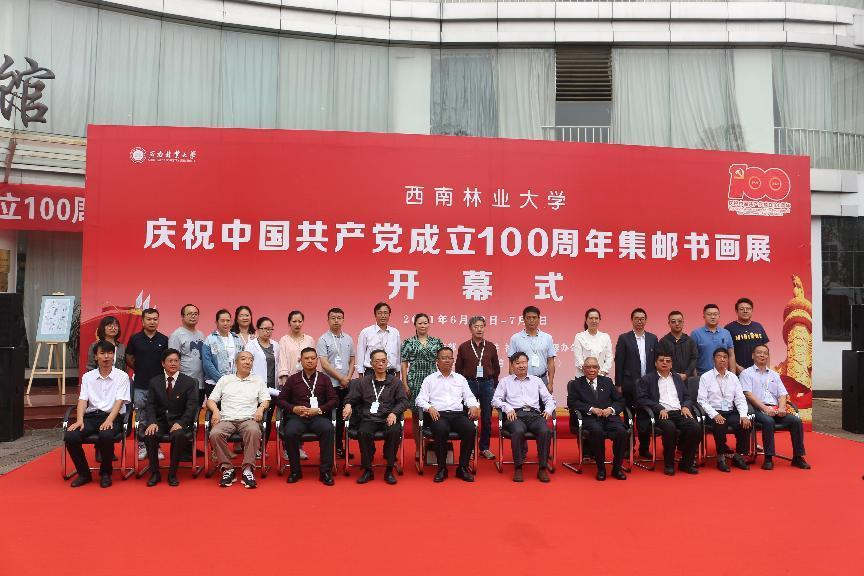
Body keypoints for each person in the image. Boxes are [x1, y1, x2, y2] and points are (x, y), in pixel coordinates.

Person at [64, 341, 131, 488]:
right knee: (71, 436)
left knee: (106, 434)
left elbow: (120, 401)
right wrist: (79, 420)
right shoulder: (88, 377)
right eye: (102, 353)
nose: (106, 357)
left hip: (113, 417)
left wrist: (109, 420)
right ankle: (84, 473)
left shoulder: (122, 376)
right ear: (95, 356)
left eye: (110, 353)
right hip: (91, 417)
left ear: (113, 355)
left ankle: (106, 473)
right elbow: (83, 400)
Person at [342, 349, 409, 485]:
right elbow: (351, 397)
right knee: (363, 432)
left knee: (394, 431)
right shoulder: (363, 382)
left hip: (388, 416)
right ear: (371, 364)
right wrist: (348, 404)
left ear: (387, 363)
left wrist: (394, 413)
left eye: (383, 361)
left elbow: (403, 401)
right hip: (369, 417)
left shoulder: (395, 382)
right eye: (377, 361)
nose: (381, 364)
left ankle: (389, 470)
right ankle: (368, 470)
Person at [415, 347, 480, 483]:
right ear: (437, 361)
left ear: (453, 360)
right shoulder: (430, 379)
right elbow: (419, 399)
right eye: (443, 358)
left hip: (458, 414)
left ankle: (462, 467)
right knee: (440, 429)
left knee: (470, 429)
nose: (447, 361)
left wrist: (474, 406)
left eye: (449, 358)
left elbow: (469, 397)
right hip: (439, 415)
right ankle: (442, 468)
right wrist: (429, 408)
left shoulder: (460, 379)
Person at [739, 344, 810, 470]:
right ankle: (768, 457)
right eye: (759, 352)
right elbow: (748, 394)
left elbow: (782, 394)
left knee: (796, 421)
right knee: (768, 421)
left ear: (768, 356)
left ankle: (798, 457)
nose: (762, 355)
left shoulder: (774, 374)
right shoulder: (746, 373)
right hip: (757, 409)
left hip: (775, 409)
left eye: (765, 353)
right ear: (753, 356)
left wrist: (782, 408)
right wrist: (765, 408)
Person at [206, 351, 270, 488]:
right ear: (236, 363)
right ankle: (228, 469)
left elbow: (266, 399)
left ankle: (248, 469)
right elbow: (211, 400)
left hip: (249, 419)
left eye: (250, 360)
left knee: (254, 431)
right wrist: (216, 411)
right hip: (226, 419)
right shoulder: (225, 379)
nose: (248, 362)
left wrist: (260, 409)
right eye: (244, 359)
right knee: (215, 433)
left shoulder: (257, 380)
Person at [276, 347, 338, 486]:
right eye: (306, 358)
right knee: (290, 432)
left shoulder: (324, 379)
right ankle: (295, 471)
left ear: (317, 360)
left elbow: (334, 400)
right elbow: (280, 400)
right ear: (301, 361)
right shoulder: (293, 379)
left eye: (313, 358)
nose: (310, 361)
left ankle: (325, 472)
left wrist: (319, 410)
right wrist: (294, 408)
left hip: (318, 417)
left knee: (328, 429)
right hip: (297, 418)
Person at [492, 352, 556, 483]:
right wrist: (506, 407)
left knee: (545, 431)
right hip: (515, 415)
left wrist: (548, 410)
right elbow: (495, 400)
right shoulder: (505, 381)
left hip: (534, 415)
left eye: (524, 362)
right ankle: (518, 467)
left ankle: (542, 468)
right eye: (518, 363)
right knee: (518, 431)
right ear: (512, 365)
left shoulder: (536, 380)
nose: (521, 366)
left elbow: (549, 399)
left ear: (528, 364)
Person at [636, 350, 701, 476]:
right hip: (660, 413)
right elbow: (642, 399)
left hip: (679, 412)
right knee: (670, 428)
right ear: (656, 363)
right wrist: (658, 408)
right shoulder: (647, 379)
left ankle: (686, 463)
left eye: (668, 361)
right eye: (661, 361)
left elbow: (687, 396)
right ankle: (669, 464)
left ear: (671, 364)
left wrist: (686, 406)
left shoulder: (677, 378)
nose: (664, 363)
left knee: (695, 428)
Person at [142, 348, 199, 487]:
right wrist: (152, 422)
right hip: (160, 421)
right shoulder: (155, 381)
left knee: (179, 435)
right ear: (163, 363)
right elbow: (150, 405)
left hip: (179, 421)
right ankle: (154, 473)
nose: (173, 363)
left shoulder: (189, 382)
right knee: (150, 434)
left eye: (176, 361)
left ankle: (172, 473)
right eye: (170, 361)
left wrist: (182, 423)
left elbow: (192, 407)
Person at [566, 356, 627, 481]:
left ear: (599, 369)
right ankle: (601, 469)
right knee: (597, 431)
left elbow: (620, 400)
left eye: (594, 367)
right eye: (588, 367)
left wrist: (611, 409)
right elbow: (572, 403)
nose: (591, 370)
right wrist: (591, 409)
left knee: (621, 431)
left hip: (609, 417)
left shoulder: (607, 381)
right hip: (589, 419)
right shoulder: (576, 384)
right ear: (583, 369)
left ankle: (617, 468)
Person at [697, 348, 751, 472]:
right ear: (713, 359)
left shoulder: (733, 377)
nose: (722, 359)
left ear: (728, 360)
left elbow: (740, 398)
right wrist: (715, 414)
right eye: (719, 356)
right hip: (713, 412)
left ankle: (738, 456)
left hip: (730, 411)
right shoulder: (706, 377)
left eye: (725, 357)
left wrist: (743, 415)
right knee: (720, 425)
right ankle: (721, 457)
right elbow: (702, 400)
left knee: (745, 423)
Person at [125, 307, 169, 461]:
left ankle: (156, 446)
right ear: (143, 321)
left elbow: (167, 361)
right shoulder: (135, 339)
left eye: (155, 319)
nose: (152, 322)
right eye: (149, 319)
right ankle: (142, 446)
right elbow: (129, 357)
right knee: (142, 417)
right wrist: (140, 368)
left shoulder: (164, 339)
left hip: (159, 387)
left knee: (157, 417)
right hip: (141, 385)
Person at [614, 307, 658, 459]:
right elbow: (619, 362)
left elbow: (656, 362)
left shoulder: (653, 338)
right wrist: (618, 384)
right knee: (629, 417)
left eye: (642, 318)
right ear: (632, 320)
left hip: (648, 386)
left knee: (645, 417)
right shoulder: (624, 338)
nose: (640, 321)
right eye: (637, 318)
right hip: (629, 385)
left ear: (646, 320)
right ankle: (628, 448)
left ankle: (644, 448)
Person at [455, 316, 500, 460]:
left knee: (486, 418)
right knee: (469, 417)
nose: (479, 329)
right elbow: (458, 369)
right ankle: (470, 448)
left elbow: (496, 368)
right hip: (469, 384)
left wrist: (493, 384)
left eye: (481, 326)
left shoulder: (491, 347)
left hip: (487, 384)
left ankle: (484, 448)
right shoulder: (463, 347)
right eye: (476, 326)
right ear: (470, 329)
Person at [400, 313, 443, 460]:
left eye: (425, 323)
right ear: (415, 325)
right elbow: (404, 363)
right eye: (420, 323)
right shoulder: (408, 342)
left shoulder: (436, 342)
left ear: (429, 324)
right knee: (416, 415)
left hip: (433, 380)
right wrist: (405, 383)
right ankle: (418, 448)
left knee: (433, 414)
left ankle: (431, 447)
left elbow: (442, 361)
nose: (423, 325)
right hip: (415, 380)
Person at [316, 308, 356, 458]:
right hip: (330, 385)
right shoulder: (323, 339)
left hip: (345, 385)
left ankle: (339, 448)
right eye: (333, 318)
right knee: (329, 419)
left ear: (343, 320)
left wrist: (348, 378)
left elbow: (352, 359)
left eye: (339, 317)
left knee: (342, 418)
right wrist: (341, 378)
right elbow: (325, 364)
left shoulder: (348, 338)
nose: (336, 320)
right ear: (328, 320)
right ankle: (328, 450)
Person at [244, 317, 281, 452]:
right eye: (265, 329)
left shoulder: (276, 345)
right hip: (255, 388)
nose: (268, 332)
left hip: (272, 389)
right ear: (258, 330)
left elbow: (278, 365)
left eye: (270, 329)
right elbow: (247, 366)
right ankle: (252, 448)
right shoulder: (251, 345)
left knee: (268, 418)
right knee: (255, 418)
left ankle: (262, 448)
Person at [508, 306, 556, 391]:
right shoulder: (515, 338)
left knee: (543, 400)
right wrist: (513, 384)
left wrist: (550, 383)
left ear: (539, 319)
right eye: (528, 318)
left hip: (542, 379)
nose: (531, 320)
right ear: (523, 319)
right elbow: (511, 364)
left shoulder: (547, 337)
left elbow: (550, 362)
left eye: (534, 317)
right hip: (522, 381)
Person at [168, 304, 205, 401]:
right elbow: (172, 361)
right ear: (182, 316)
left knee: (198, 409)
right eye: (190, 314)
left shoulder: (201, 334)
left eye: (195, 314)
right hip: (184, 383)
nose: (193, 316)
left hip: (200, 383)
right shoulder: (176, 335)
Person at [203, 309, 244, 397]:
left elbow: (241, 359)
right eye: (222, 320)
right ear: (216, 322)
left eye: (228, 320)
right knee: (215, 405)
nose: (225, 323)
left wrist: (237, 379)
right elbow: (207, 364)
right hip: (214, 383)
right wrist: (221, 380)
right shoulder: (209, 339)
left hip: (234, 383)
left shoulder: (237, 339)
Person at [725, 298, 769, 374]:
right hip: (739, 372)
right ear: (736, 311)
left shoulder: (758, 326)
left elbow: (766, 350)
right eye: (742, 309)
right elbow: (726, 353)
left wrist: (767, 370)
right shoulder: (729, 328)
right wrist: (738, 368)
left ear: (752, 310)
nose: (745, 311)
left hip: (758, 371)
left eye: (748, 309)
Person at [691, 304, 735, 379]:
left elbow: (731, 355)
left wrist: (733, 376)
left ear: (719, 316)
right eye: (709, 314)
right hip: (703, 376)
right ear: (704, 317)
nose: (713, 317)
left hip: (723, 375)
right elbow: (692, 357)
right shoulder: (696, 333)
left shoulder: (726, 333)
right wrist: (696, 378)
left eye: (715, 314)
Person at [357, 302, 401, 376]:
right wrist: (361, 376)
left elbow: (398, 355)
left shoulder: (395, 332)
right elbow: (361, 355)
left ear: (389, 315)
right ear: (375, 315)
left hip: (390, 373)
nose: (383, 316)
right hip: (371, 373)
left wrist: (398, 374)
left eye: (385, 313)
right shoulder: (366, 332)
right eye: (379, 313)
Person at [659, 311, 698, 386]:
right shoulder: (663, 342)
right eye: (673, 321)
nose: (677, 324)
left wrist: (686, 374)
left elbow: (694, 359)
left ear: (683, 322)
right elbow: (662, 361)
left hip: (688, 379)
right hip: (669, 379)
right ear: (669, 323)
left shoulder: (690, 341)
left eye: (679, 321)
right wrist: (675, 374)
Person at [573, 308, 613, 379]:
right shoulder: (579, 337)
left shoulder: (605, 337)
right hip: (582, 377)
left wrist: (602, 373)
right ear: (586, 320)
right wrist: (589, 373)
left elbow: (609, 358)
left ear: (599, 320)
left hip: (601, 376)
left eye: (596, 318)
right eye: (591, 318)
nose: (594, 321)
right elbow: (578, 358)